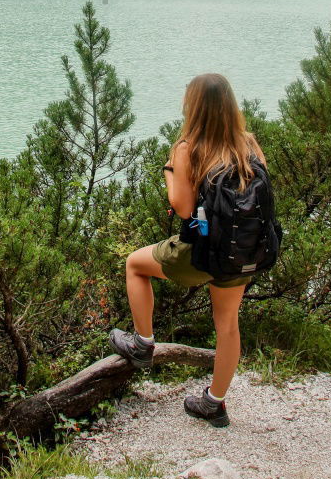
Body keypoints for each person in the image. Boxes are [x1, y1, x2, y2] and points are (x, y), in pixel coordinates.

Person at [109, 73, 267, 428]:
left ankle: (143, 344)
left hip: (202, 253)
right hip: (243, 254)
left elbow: (182, 206)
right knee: (228, 325)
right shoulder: (249, 144)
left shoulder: (188, 148)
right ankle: (214, 403)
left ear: (193, 107)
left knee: (135, 264)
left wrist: (170, 170)